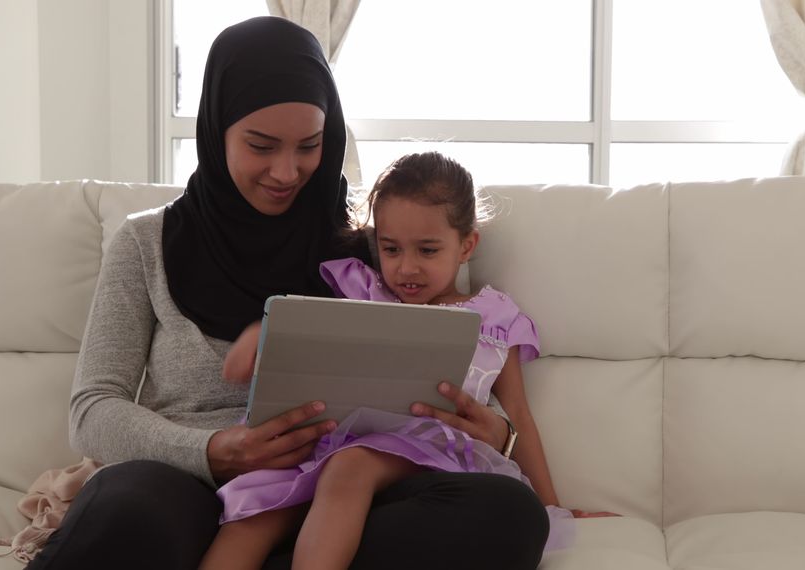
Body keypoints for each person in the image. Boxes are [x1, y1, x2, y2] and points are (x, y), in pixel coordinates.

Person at [26, 17, 549, 570]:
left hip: (351, 492)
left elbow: (458, 378)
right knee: (125, 512)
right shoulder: (145, 242)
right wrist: (211, 452)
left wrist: (500, 433)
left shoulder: (383, 247)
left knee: (508, 514)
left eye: (309, 146)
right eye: (261, 145)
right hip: (193, 486)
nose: (286, 170)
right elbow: (93, 408)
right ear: (217, 127)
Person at [200, 152, 583, 570]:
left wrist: (553, 505)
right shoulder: (363, 292)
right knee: (253, 513)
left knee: (352, 467)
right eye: (391, 248)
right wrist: (260, 336)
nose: (406, 268)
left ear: (466, 245)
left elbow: (519, 416)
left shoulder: (493, 317)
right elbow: (309, 334)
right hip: (337, 441)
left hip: (432, 449)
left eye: (428, 250)